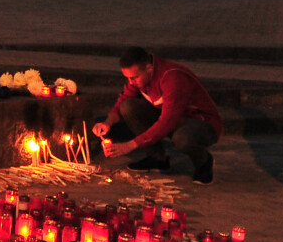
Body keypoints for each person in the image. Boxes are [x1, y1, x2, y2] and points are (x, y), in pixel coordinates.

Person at [92, 47, 222, 184]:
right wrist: (108, 122)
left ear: (149, 68)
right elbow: (123, 100)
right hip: (172, 119)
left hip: (201, 123)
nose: (131, 82)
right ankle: (157, 159)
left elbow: (168, 121)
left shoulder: (173, 78)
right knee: (128, 107)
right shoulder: (141, 77)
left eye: (134, 77)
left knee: (182, 138)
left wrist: (130, 145)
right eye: (128, 78)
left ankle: (203, 162)